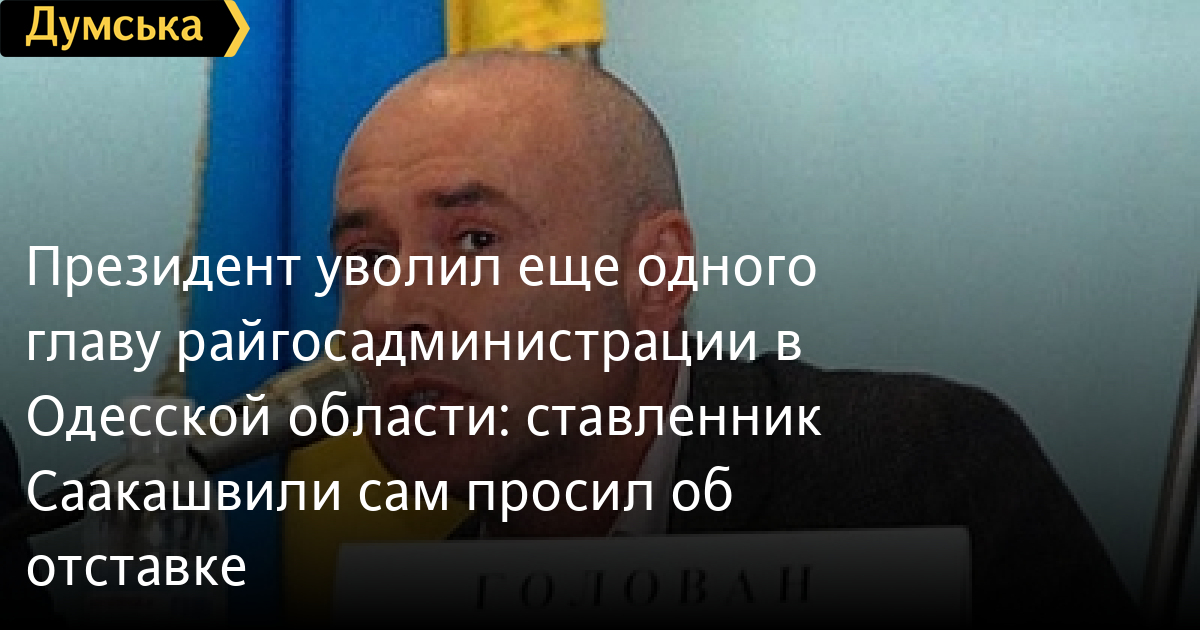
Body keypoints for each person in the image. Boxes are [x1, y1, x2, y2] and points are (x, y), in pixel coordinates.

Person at [330, 50, 1135, 623]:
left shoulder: (916, 476)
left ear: (655, 273)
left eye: (474, 240)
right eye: (365, 258)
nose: (394, 311)